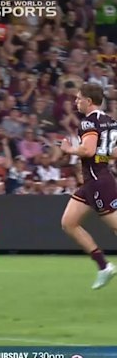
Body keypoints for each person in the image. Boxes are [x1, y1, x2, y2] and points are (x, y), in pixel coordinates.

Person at [60, 83, 117, 289]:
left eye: (78, 98)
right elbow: (112, 153)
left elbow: (88, 150)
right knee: (69, 222)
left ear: (88, 101)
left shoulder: (88, 122)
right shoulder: (109, 121)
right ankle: (104, 266)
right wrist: (99, 159)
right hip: (95, 179)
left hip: (97, 181)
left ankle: (104, 267)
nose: (76, 101)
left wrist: (68, 149)